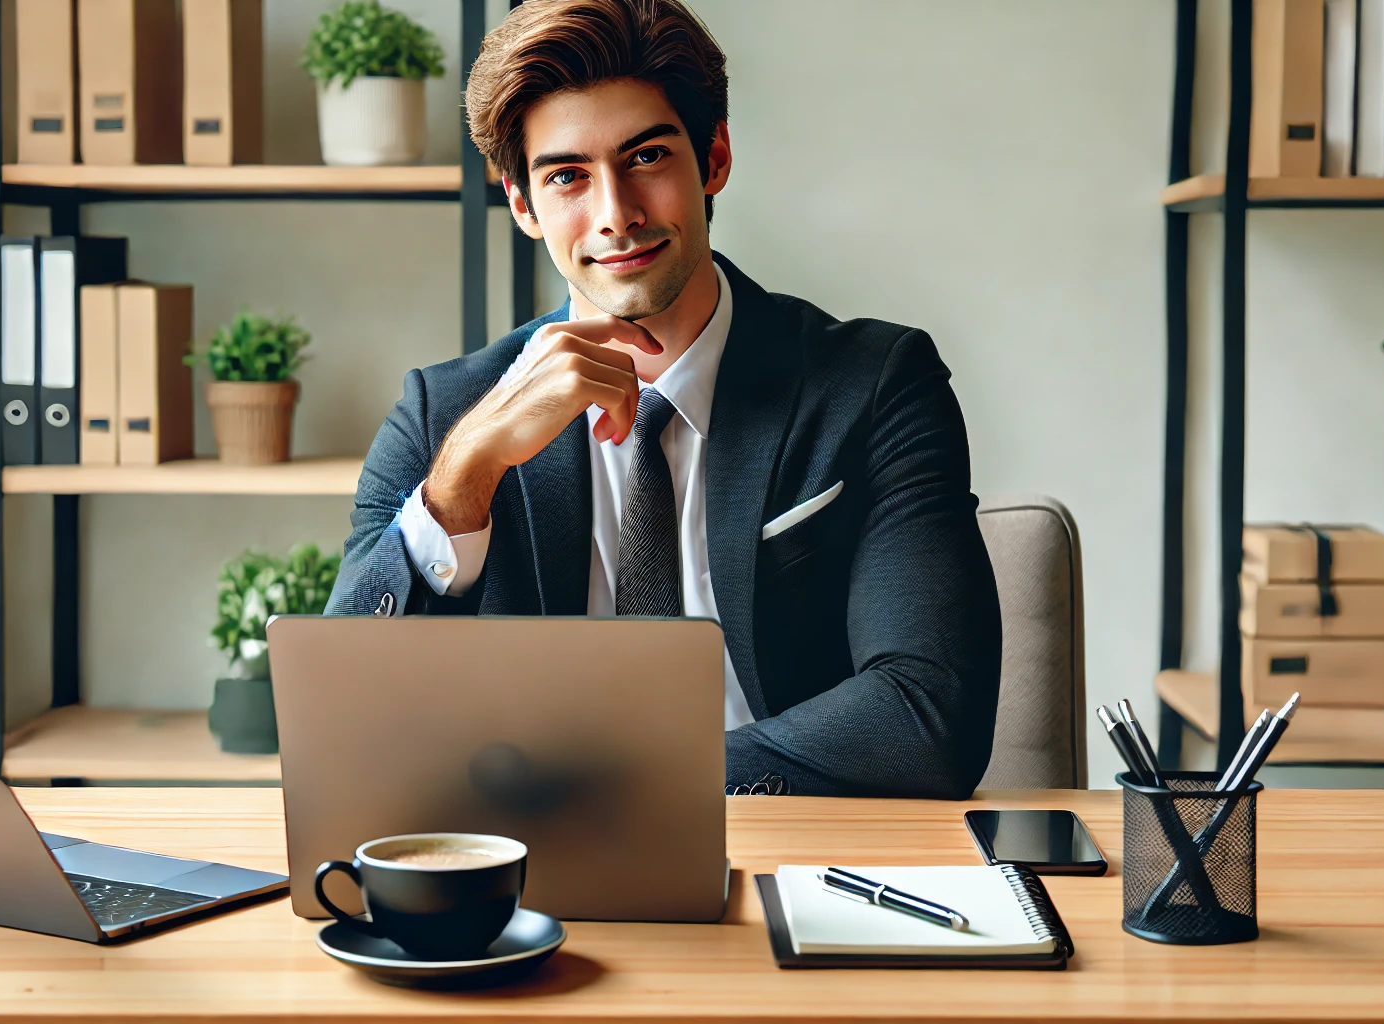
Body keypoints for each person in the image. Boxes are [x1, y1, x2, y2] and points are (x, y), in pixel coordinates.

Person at [326, 0, 1001, 798]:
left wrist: (628, 783)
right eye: (567, 176)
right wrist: (464, 480)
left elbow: (928, 718)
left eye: (645, 157)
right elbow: (342, 719)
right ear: (522, 205)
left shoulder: (875, 383)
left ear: (713, 157)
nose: (616, 215)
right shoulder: (447, 416)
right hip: (527, 878)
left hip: (793, 848)